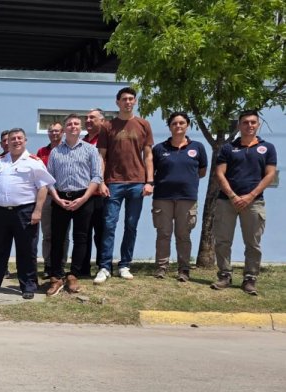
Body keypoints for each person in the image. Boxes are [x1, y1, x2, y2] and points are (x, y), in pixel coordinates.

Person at [0, 128, 55, 299]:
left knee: (26, 250)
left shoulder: (34, 161)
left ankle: (28, 286)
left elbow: (43, 187)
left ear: (25, 140)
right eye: (12, 139)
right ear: (7, 142)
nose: (16, 141)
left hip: (25, 211)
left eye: (19, 138)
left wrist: (38, 210)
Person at [211, 110, 277, 295]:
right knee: (223, 241)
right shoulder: (227, 148)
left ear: (258, 125)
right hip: (227, 201)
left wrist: (250, 195)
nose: (249, 125)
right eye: (245, 122)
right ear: (239, 125)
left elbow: (270, 174)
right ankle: (224, 275)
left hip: (254, 202)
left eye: (253, 122)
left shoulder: (268, 148)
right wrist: (233, 196)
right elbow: (219, 174)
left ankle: (250, 279)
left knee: (253, 243)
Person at [95, 87, 155, 284]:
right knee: (109, 225)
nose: (128, 102)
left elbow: (148, 155)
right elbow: (101, 156)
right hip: (113, 182)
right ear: (117, 102)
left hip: (137, 183)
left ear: (135, 102)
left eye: (131, 99)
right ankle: (104, 266)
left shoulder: (143, 124)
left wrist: (149, 182)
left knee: (131, 225)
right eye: (124, 99)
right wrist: (101, 181)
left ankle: (124, 265)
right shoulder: (107, 126)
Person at [45, 114, 102, 296]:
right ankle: (56, 277)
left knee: (81, 238)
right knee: (58, 239)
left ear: (81, 127)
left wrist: (84, 198)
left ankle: (73, 274)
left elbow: (96, 176)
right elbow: (49, 179)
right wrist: (56, 198)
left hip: (83, 198)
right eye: (69, 124)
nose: (73, 126)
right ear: (65, 128)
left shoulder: (91, 150)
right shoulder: (55, 152)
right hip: (60, 198)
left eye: (76, 124)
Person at [150, 112, 208, 282]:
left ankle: (184, 269)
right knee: (163, 234)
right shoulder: (159, 149)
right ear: (169, 127)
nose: (178, 126)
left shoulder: (197, 147)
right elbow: (151, 172)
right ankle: (161, 267)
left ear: (187, 125)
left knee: (183, 235)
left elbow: (202, 171)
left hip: (187, 198)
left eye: (182, 123)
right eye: (174, 123)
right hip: (162, 197)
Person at [36, 122, 67, 277]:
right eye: (51, 131)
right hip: (47, 197)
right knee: (47, 234)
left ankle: (61, 264)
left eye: (57, 131)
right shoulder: (41, 152)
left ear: (62, 132)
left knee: (64, 235)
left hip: (64, 197)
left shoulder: (67, 150)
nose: (54, 134)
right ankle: (48, 265)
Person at [82, 108, 106, 276]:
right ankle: (83, 268)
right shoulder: (82, 142)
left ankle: (103, 266)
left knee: (102, 232)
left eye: (92, 117)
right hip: (84, 194)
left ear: (102, 121)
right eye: (87, 118)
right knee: (83, 232)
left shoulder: (106, 141)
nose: (88, 120)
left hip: (101, 194)